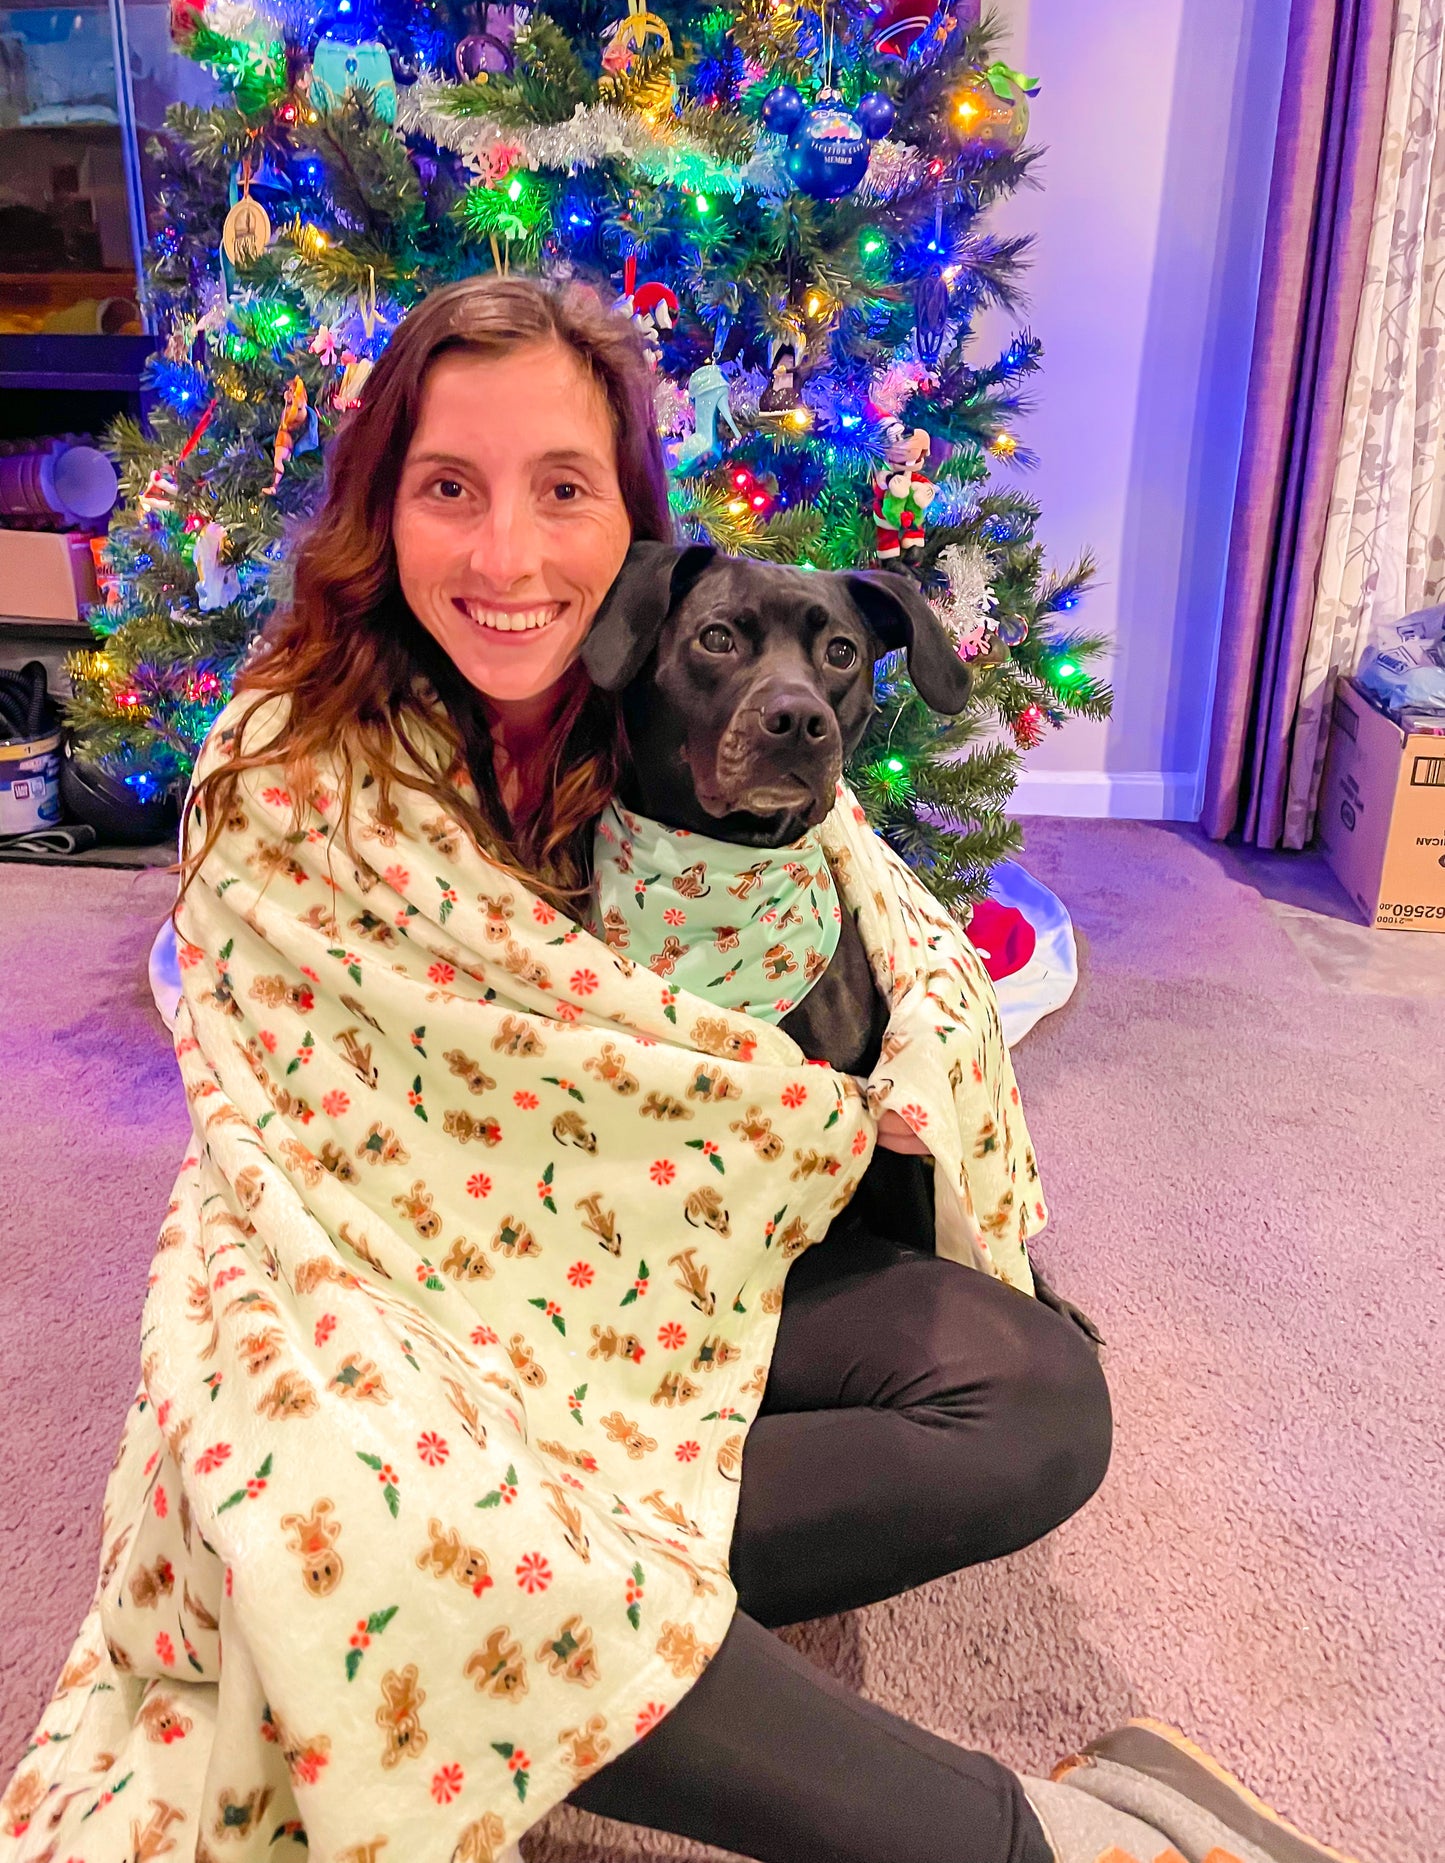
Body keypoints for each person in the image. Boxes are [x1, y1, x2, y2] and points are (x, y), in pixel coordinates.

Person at [1, 277, 1355, 1863]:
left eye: (560, 490)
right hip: (380, 1306)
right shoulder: (286, 778)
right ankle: (1065, 1840)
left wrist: (895, 1085)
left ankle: (517, 1626)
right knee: (363, 1550)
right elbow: (314, 1139)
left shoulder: (680, 708)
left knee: (1037, 1394)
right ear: (382, 512)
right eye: (449, 488)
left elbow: (894, 955)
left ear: (627, 537)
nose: (508, 555)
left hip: (662, 1286)